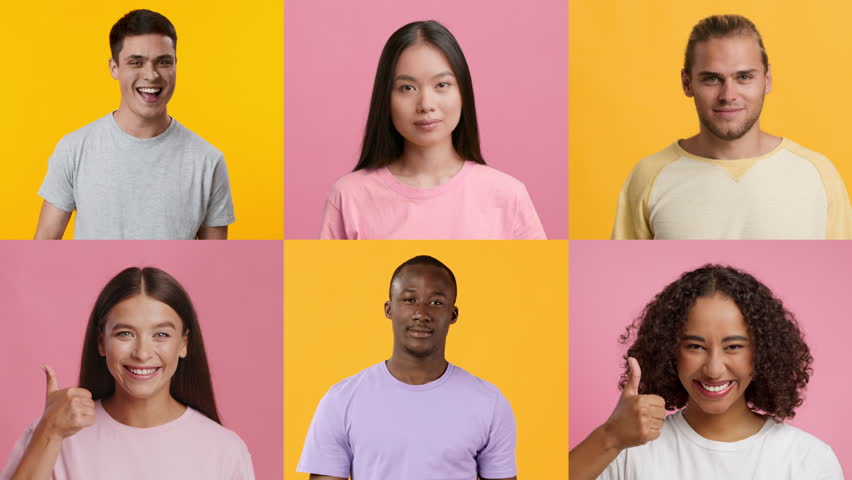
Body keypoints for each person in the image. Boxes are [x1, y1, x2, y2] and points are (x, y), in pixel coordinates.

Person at [569, 265, 843, 479]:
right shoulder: (627, 450)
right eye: (695, 346)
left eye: (733, 346)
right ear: (671, 351)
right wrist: (610, 437)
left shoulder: (809, 459)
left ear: (762, 352)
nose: (713, 369)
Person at [612, 15, 852, 239]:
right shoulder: (648, 175)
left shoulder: (817, 174)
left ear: (766, 80)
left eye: (744, 77)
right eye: (712, 79)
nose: (728, 95)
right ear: (687, 84)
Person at [1, 267, 254, 480]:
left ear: (184, 344)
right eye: (125, 334)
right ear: (101, 342)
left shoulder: (224, 450)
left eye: (161, 335)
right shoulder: (53, 434)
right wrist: (51, 432)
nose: (142, 353)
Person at [319, 21, 546, 240]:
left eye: (441, 85)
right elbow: (328, 280)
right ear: (385, 98)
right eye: (407, 88)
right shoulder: (348, 197)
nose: (426, 104)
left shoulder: (508, 195)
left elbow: (539, 278)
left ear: (463, 92)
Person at [297, 255, 518, 479]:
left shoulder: (489, 402)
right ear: (389, 309)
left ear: (453, 314)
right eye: (409, 299)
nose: (421, 314)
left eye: (436, 302)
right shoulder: (341, 400)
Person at [34, 10, 235, 240]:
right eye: (136, 62)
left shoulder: (208, 161)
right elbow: (43, 247)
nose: (151, 75)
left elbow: (214, 264)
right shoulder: (74, 149)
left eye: (163, 62)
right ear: (114, 68)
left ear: (176, 65)